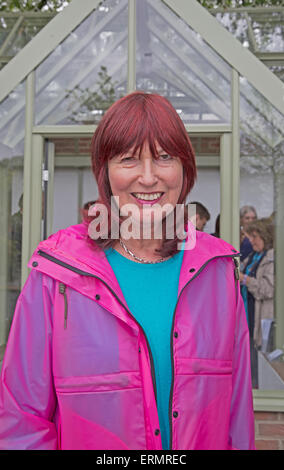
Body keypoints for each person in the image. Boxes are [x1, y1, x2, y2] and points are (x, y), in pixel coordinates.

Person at [0, 91, 255, 450]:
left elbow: (236, 413)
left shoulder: (218, 271)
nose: (148, 178)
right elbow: (22, 419)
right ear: (105, 172)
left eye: (165, 157)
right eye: (129, 159)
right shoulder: (56, 275)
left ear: (186, 170)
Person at [239, 218, 274, 388]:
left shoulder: (272, 257)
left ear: (265, 236)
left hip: (259, 320)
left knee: (258, 368)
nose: (251, 241)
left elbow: (268, 289)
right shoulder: (253, 255)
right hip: (247, 317)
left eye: (255, 236)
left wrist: (244, 279)